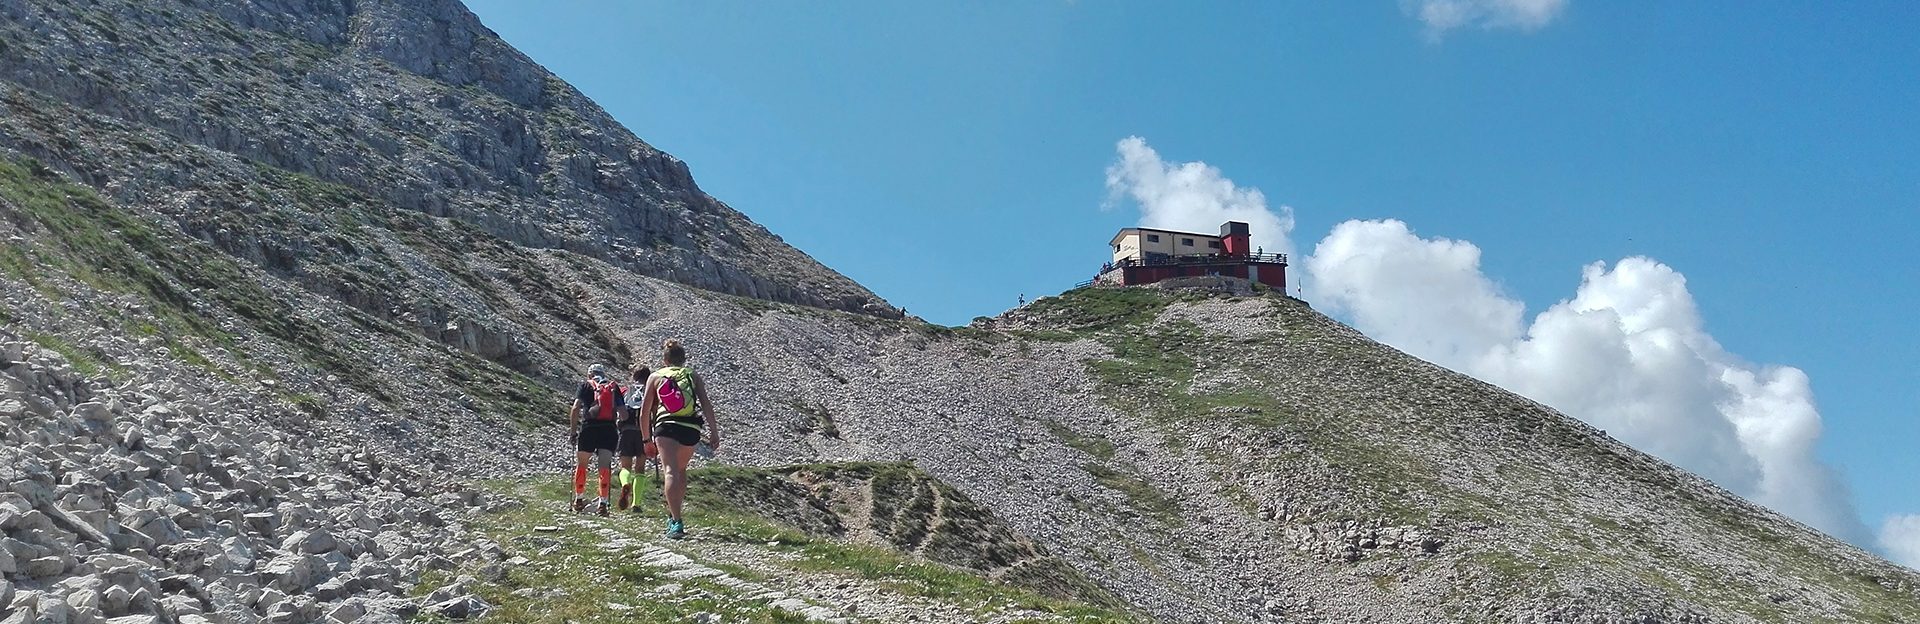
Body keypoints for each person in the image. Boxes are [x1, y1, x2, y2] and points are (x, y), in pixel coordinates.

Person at [636, 339, 721, 539]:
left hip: (666, 427)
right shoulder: (692, 375)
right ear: (683, 360)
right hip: (690, 428)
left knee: (670, 471)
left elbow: (644, 412)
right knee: (680, 469)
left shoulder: (655, 376)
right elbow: (706, 405)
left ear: (665, 360)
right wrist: (714, 432)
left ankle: (676, 520)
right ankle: (675, 513)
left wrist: (646, 439)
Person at [569, 363, 624, 516]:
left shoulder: (585, 386)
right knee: (604, 466)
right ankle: (603, 503)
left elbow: (575, 408)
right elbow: (623, 413)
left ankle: (579, 498)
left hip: (589, 428)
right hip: (608, 429)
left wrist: (573, 432)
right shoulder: (613, 387)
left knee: (582, 464)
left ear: (589, 375)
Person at [615, 365, 656, 512]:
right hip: (643, 432)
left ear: (635, 376)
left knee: (625, 467)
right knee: (640, 468)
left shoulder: (626, 390)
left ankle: (626, 483)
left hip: (626, 431)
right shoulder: (650, 391)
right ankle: (636, 504)